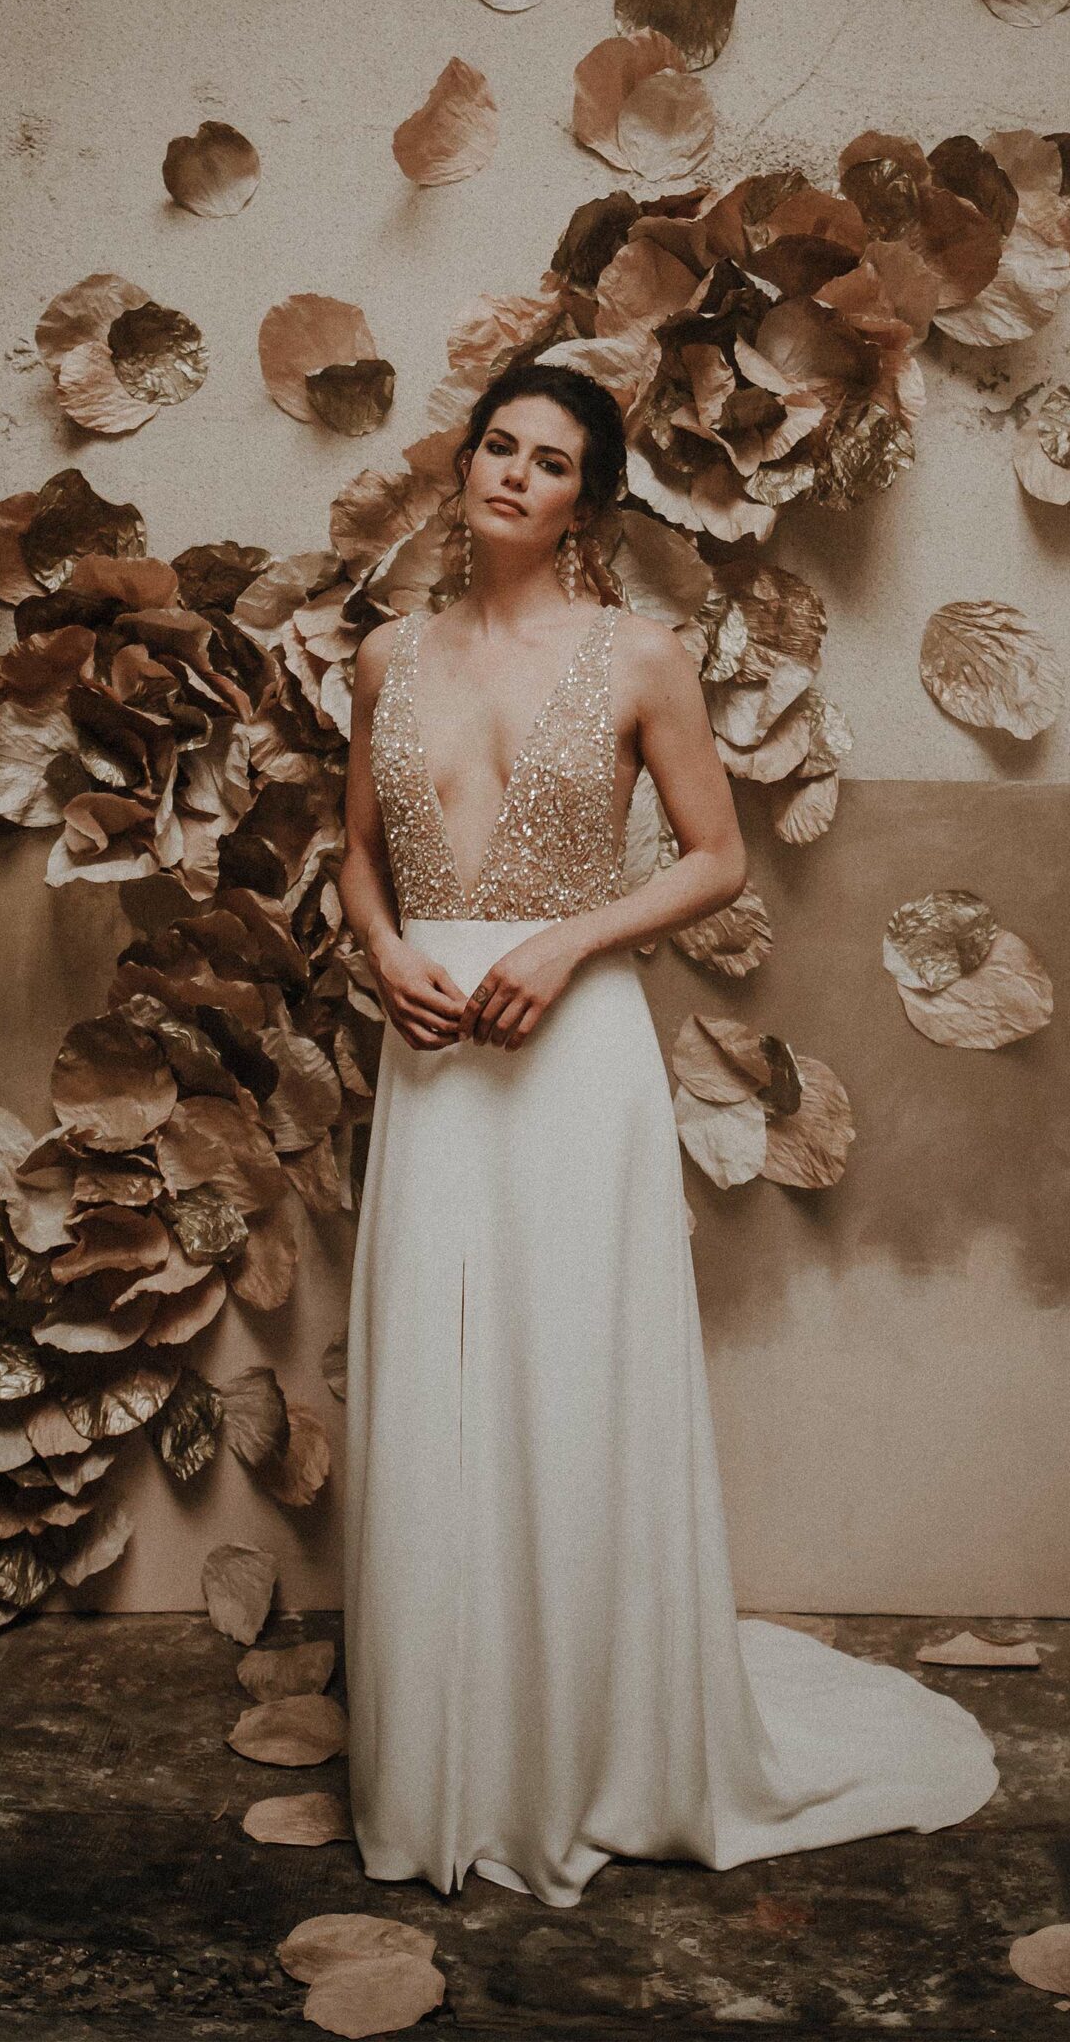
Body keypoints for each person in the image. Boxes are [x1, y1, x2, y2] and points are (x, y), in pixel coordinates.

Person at [335, 356, 998, 1907]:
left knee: (576, 1379)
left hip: (573, 1056)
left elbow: (715, 859)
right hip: (431, 1050)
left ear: (591, 501)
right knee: (436, 1380)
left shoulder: (640, 654)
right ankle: (449, 1760)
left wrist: (568, 946)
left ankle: (589, 1750)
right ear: (467, 465)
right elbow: (355, 852)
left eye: (549, 460)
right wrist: (382, 951)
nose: (513, 473)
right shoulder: (383, 655)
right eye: (498, 446)